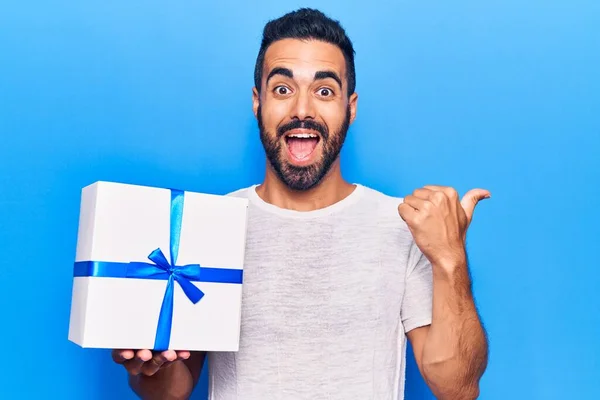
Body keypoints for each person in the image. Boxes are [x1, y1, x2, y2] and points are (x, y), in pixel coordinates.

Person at [112, 8, 489, 400]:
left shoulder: (402, 226)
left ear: (351, 106)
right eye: (282, 89)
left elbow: (458, 388)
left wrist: (450, 260)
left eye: (324, 91)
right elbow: (170, 390)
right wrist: (149, 366)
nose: (303, 110)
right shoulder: (210, 225)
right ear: (257, 102)